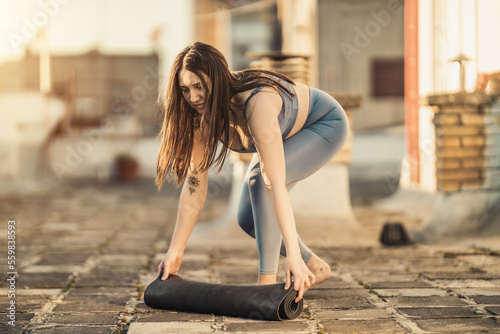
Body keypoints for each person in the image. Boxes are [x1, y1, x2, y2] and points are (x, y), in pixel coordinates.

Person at [156, 42, 349, 302]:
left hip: (323, 123)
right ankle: (316, 266)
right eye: (185, 89)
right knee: (248, 219)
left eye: (199, 86)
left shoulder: (256, 103)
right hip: (286, 134)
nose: (193, 97)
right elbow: (194, 190)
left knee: (260, 182)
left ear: (216, 78)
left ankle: (265, 285)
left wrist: (291, 254)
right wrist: (175, 253)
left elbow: (274, 182)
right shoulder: (198, 118)